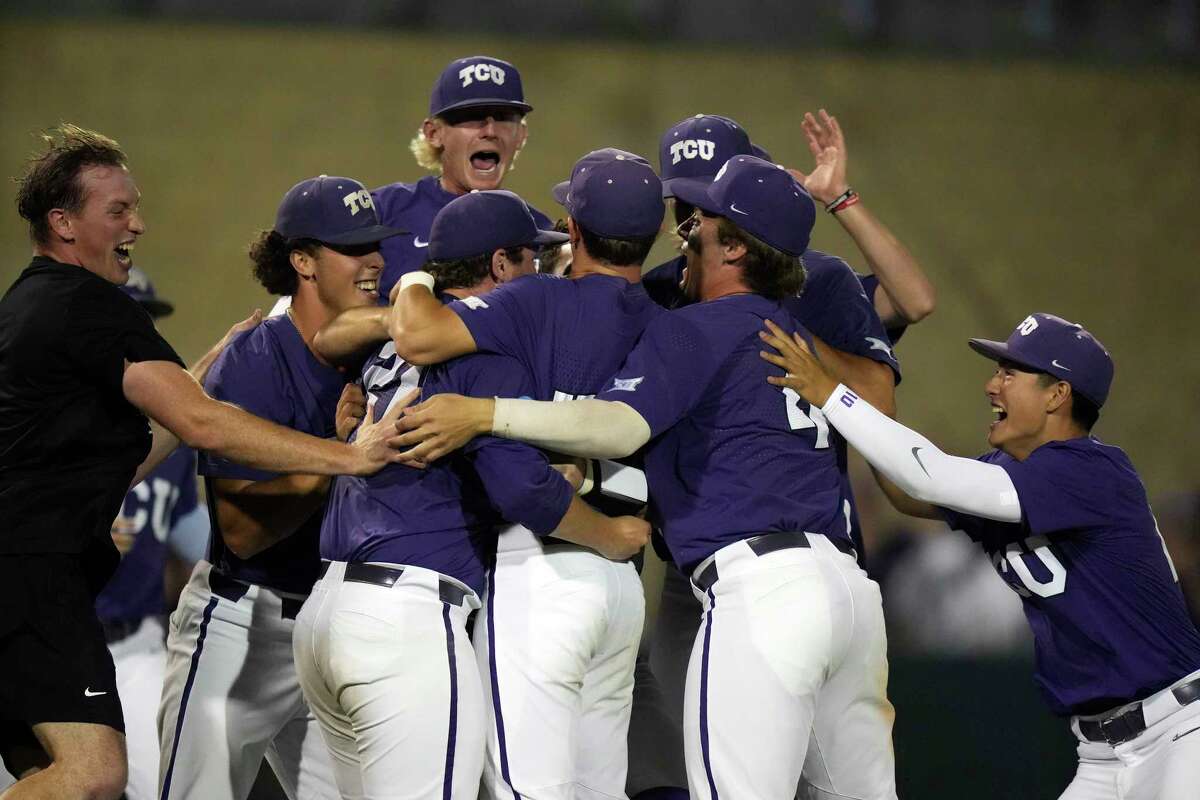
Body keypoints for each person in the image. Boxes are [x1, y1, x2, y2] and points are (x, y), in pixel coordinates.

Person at [392, 156, 899, 800]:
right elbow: (888, 379)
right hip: (826, 585)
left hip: (620, 570)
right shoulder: (768, 329)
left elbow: (617, 427)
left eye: (703, 224)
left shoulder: (675, 323)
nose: (690, 230)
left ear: (572, 229)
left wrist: (485, 411)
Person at [0, 125, 401, 800]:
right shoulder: (87, 304)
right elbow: (204, 424)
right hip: (38, 578)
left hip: (31, 575)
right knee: (93, 772)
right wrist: (349, 457)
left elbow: (126, 457)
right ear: (63, 223)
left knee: (51, 777)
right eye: (118, 211)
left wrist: (197, 371)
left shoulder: (30, 303)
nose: (139, 223)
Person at [293, 187, 650, 800]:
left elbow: (329, 342)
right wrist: (608, 531)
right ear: (501, 265)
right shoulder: (487, 347)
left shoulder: (385, 351)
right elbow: (520, 487)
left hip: (329, 608)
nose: (543, 269)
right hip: (408, 617)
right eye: (531, 257)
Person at [762, 312, 1200, 800]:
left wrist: (834, 395)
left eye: (1011, 373)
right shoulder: (1013, 473)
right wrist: (867, 408)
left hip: (1179, 736)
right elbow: (911, 494)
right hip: (1099, 753)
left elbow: (928, 477)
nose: (993, 385)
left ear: (1058, 394)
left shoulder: (1092, 470)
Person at [383, 149, 663, 799]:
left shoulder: (537, 299)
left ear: (576, 228)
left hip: (544, 563)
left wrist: (416, 279)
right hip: (624, 588)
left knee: (525, 789)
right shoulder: (668, 320)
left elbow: (418, 340)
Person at [156, 175, 405, 800]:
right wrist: (341, 459)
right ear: (302, 261)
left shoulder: (374, 354)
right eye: (353, 247)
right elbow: (243, 533)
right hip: (243, 620)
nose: (373, 259)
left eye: (376, 243)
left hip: (335, 631)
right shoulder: (258, 358)